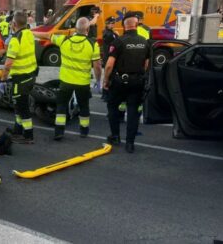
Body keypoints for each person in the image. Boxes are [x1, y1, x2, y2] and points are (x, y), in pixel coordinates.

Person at [45, 17, 101, 140]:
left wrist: (31, 32)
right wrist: (98, 81)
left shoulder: (64, 40)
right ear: (87, 29)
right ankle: (84, 131)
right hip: (83, 82)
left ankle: (59, 132)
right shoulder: (93, 44)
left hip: (66, 81)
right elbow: (97, 66)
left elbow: (48, 36)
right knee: (84, 106)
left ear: (75, 28)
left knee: (61, 105)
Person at [103, 13, 150, 153]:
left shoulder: (119, 41)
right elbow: (146, 64)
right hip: (137, 82)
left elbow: (110, 65)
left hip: (119, 81)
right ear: (137, 25)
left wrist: (106, 80)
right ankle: (130, 143)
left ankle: (115, 136)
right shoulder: (144, 41)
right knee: (133, 111)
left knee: (112, 107)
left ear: (124, 26)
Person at [0, 11, 38, 144]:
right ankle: (18, 129)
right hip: (30, 75)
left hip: (20, 79)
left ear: (14, 24)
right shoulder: (28, 34)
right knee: (18, 106)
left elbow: (8, 63)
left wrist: (3, 80)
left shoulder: (15, 39)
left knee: (22, 107)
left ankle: (28, 135)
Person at [102, 16, 119, 101]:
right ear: (107, 24)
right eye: (111, 23)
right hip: (108, 57)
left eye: (113, 23)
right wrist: (117, 35)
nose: (113, 25)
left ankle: (105, 93)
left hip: (108, 56)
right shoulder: (108, 34)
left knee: (108, 74)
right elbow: (116, 41)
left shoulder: (110, 32)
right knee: (108, 75)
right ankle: (106, 94)